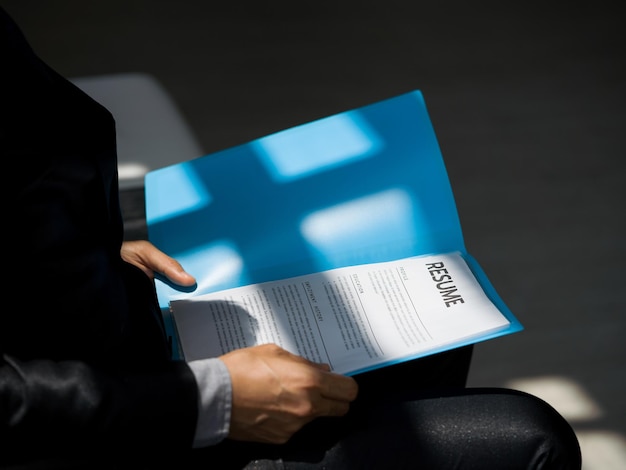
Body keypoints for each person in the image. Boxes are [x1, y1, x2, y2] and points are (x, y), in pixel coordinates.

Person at [0, 7, 581, 469]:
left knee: (433, 326)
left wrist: (74, 248)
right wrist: (213, 401)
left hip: (88, 334)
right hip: (86, 426)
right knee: (532, 438)